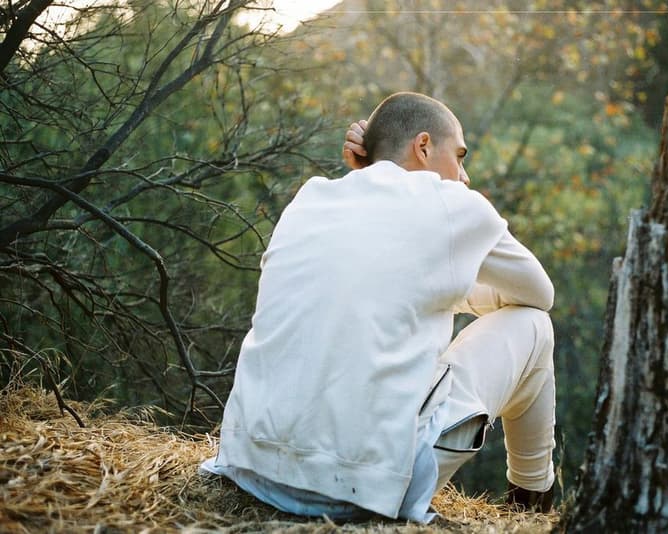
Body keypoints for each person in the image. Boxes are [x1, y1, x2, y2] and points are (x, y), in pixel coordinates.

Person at [201, 92, 556, 523]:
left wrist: (443, 286)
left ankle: (532, 505)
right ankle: (533, 505)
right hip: (366, 490)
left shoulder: (309, 198)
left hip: (253, 468)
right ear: (424, 147)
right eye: (458, 157)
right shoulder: (457, 205)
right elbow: (540, 294)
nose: (463, 176)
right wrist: (456, 287)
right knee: (535, 326)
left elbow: (365, 267)